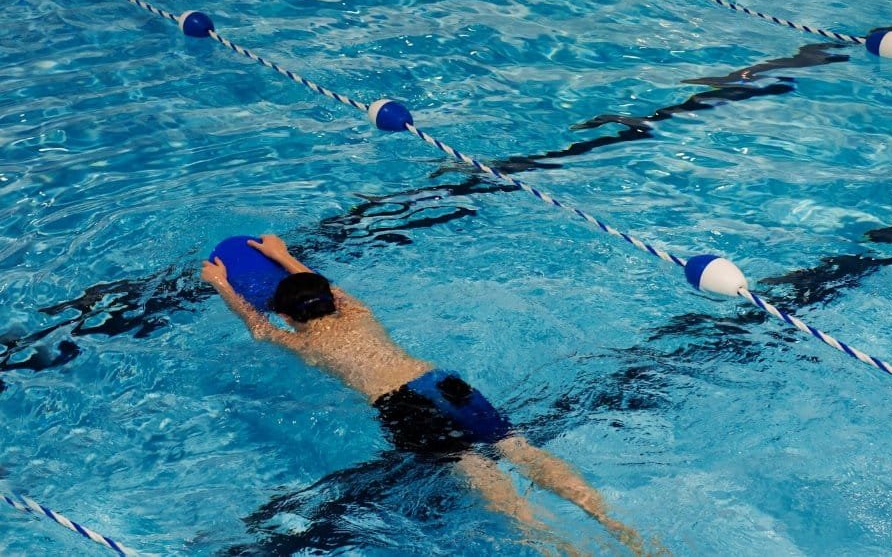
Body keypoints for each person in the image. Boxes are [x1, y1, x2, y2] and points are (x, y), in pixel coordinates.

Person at [201, 235, 644, 554]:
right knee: (518, 448)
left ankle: (562, 548)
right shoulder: (359, 313)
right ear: (332, 302)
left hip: (403, 405)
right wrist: (284, 256)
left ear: (285, 315)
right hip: (443, 382)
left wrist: (222, 284)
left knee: (476, 470)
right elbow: (325, 286)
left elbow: (259, 329)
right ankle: (619, 527)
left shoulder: (303, 342)